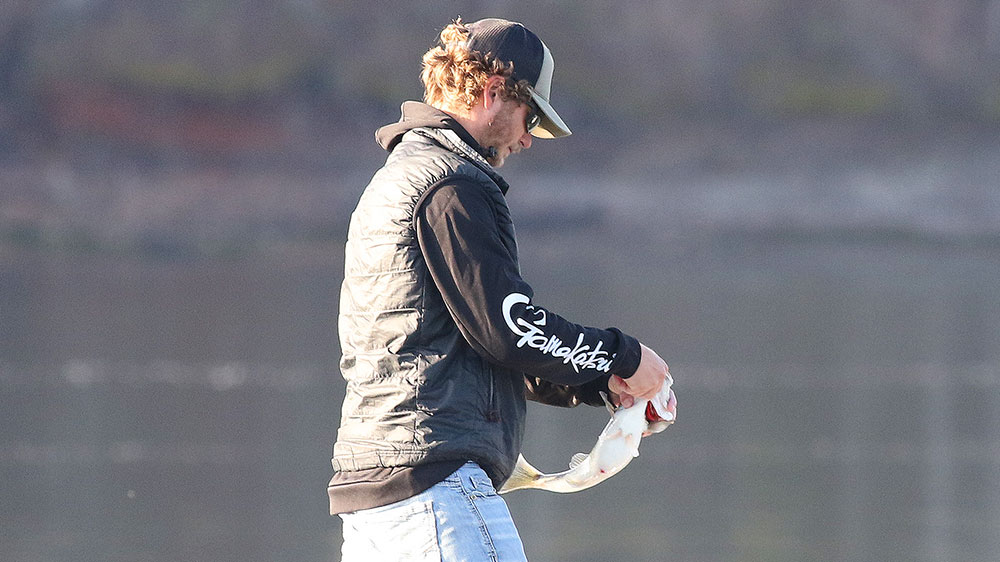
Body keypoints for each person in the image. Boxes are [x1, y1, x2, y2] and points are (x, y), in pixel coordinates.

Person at [329, 17, 674, 561]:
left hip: (380, 500)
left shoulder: (401, 177)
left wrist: (602, 384)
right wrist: (623, 356)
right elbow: (507, 331)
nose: (528, 138)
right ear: (493, 93)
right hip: (433, 492)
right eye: (530, 116)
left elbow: (471, 345)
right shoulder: (451, 185)